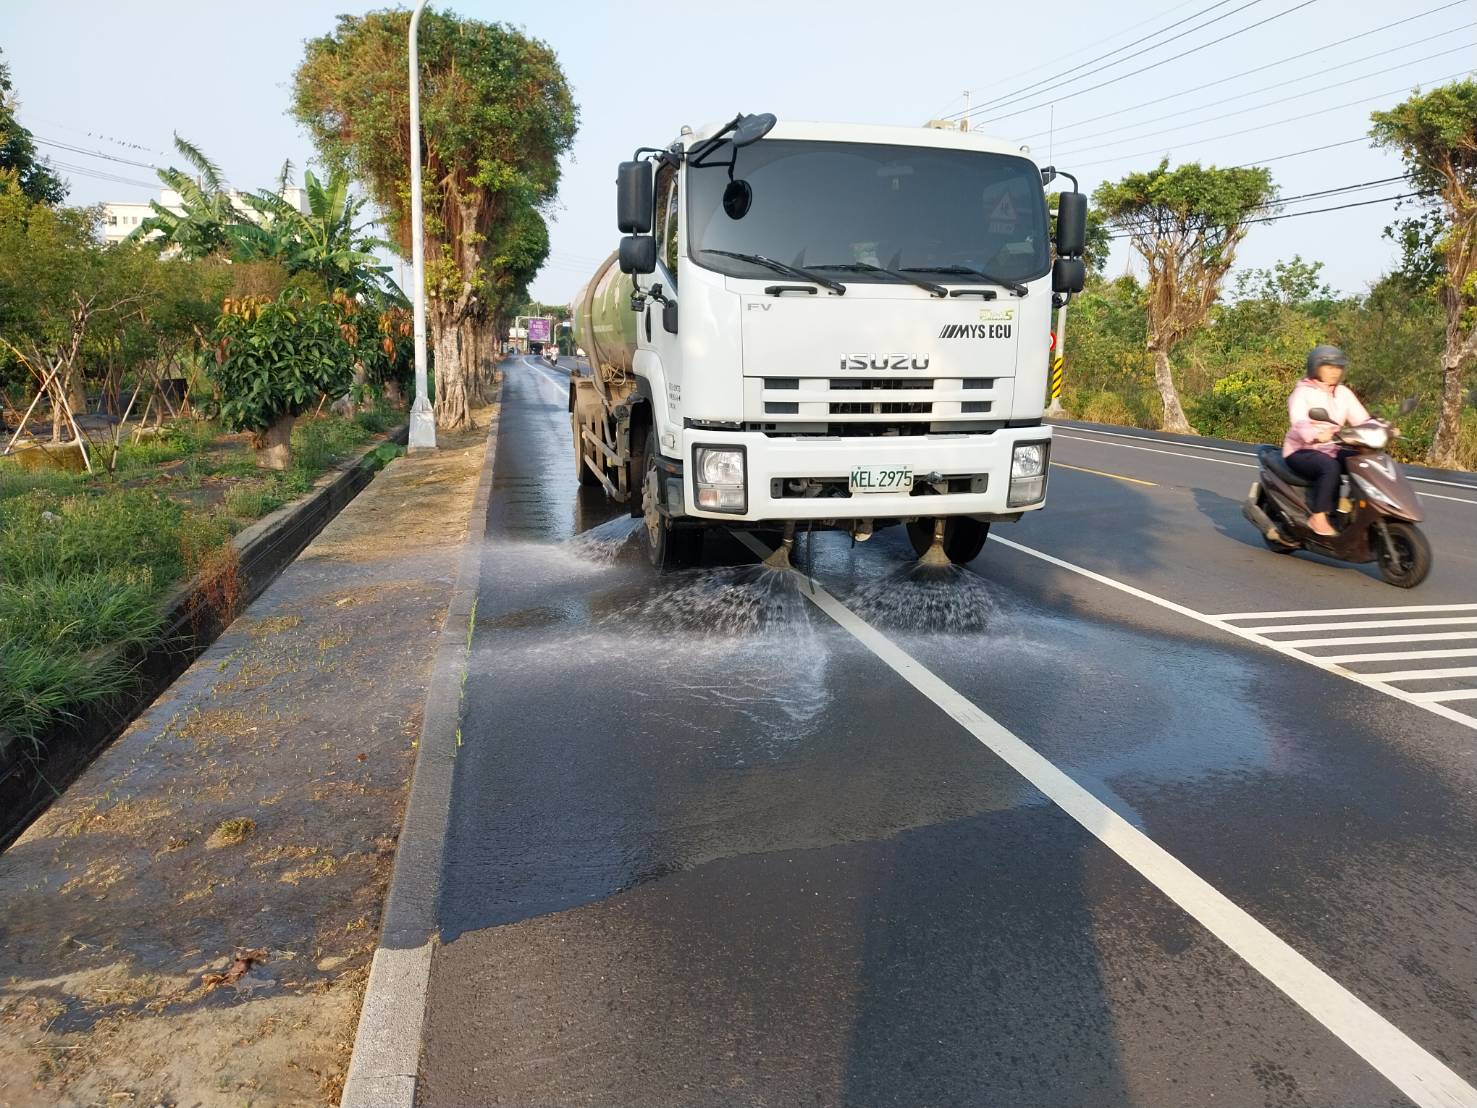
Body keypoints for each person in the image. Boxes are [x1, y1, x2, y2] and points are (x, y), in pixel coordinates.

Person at [1282, 344, 1370, 536]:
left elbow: (1362, 419)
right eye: (1329, 367)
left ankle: (1350, 507)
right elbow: (1299, 422)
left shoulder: (1343, 393)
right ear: (1316, 367)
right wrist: (1315, 434)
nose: (1335, 372)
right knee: (1330, 467)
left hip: (1331, 447)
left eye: (1338, 368)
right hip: (1300, 450)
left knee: (1363, 461)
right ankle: (1318, 517)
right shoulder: (1302, 393)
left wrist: (1382, 429)